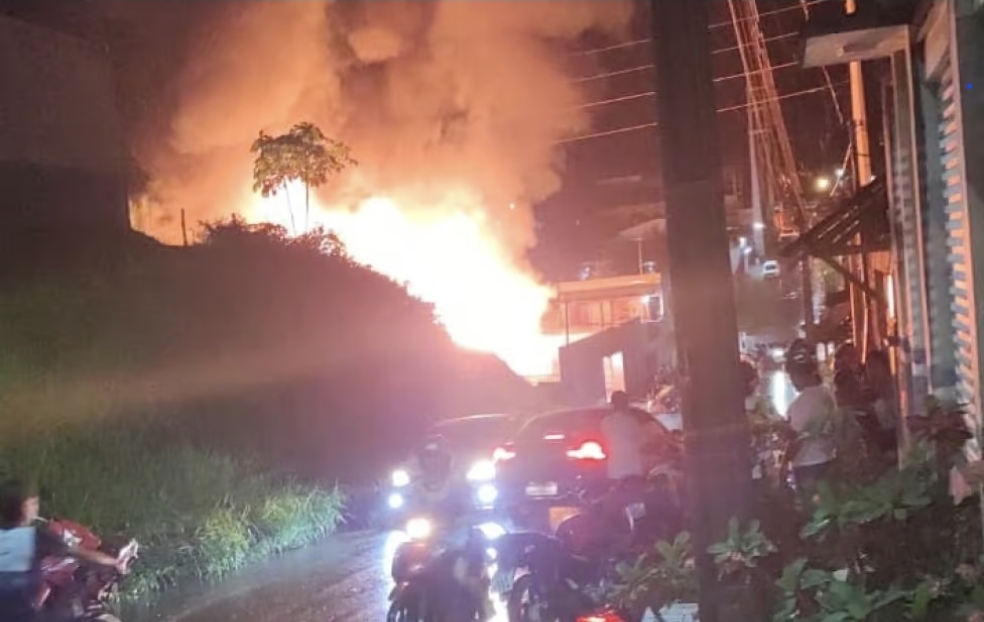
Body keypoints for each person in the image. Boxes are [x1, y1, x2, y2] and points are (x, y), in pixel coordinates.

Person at [0, 479, 121, 622]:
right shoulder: (36, 537)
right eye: (33, 503)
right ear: (24, 507)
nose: (36, 508)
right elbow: (81, 553)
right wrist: (115, 562)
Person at [784, 340, 838, 495]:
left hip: (808, 465)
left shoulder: (800, 405)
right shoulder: (826, 393)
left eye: (792, 376)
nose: (792, 382)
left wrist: (783, 465)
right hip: (829, 459)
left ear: (801, 375)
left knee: (810, 509)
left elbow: (795, 441)